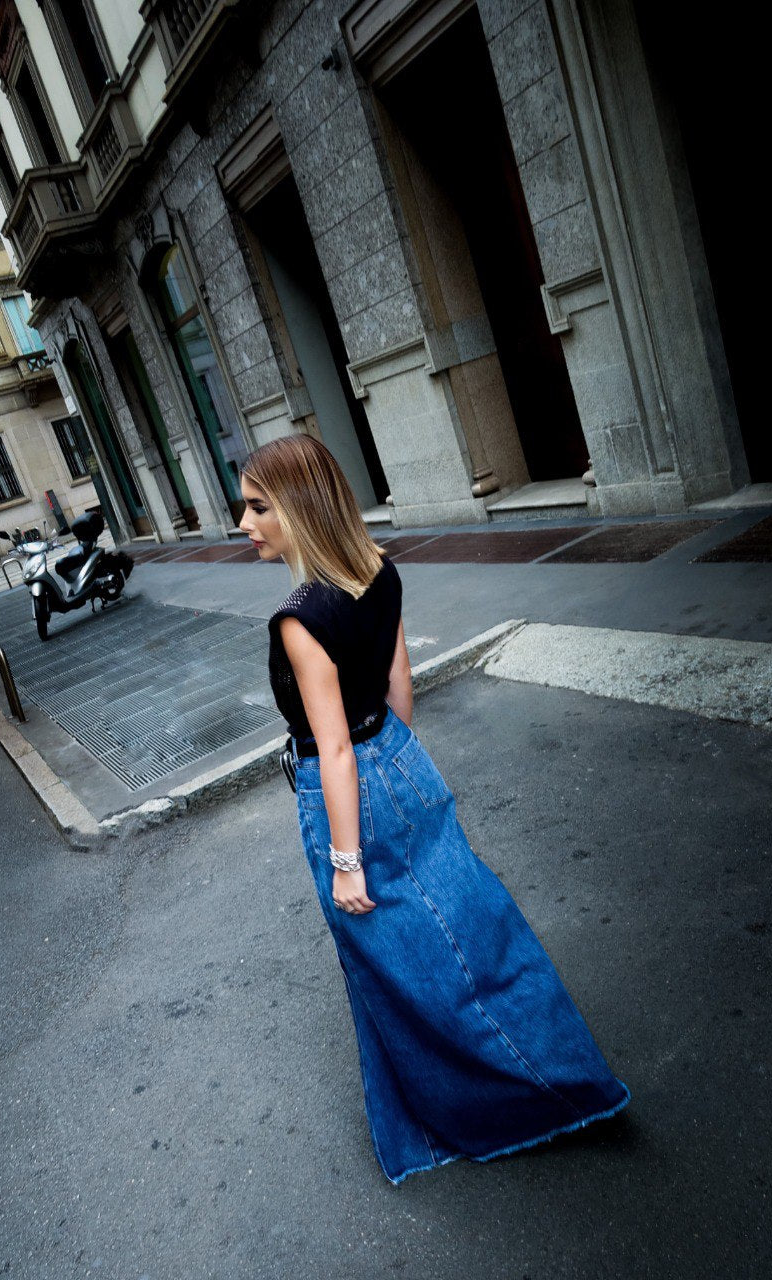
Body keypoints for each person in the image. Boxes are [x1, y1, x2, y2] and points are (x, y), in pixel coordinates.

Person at [239, 435, 631, 1186]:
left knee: (407, 966)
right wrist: (401, 769)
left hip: (346, 790)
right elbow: (397, 688)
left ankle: (517, 1101)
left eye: (259, 506)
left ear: (299, 506)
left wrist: (347, 860)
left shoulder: (298, 618)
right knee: (475, 933)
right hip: (400, 761)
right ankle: (546, 1072)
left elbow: (334, 747)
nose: (244, 521)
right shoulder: (376, 572)